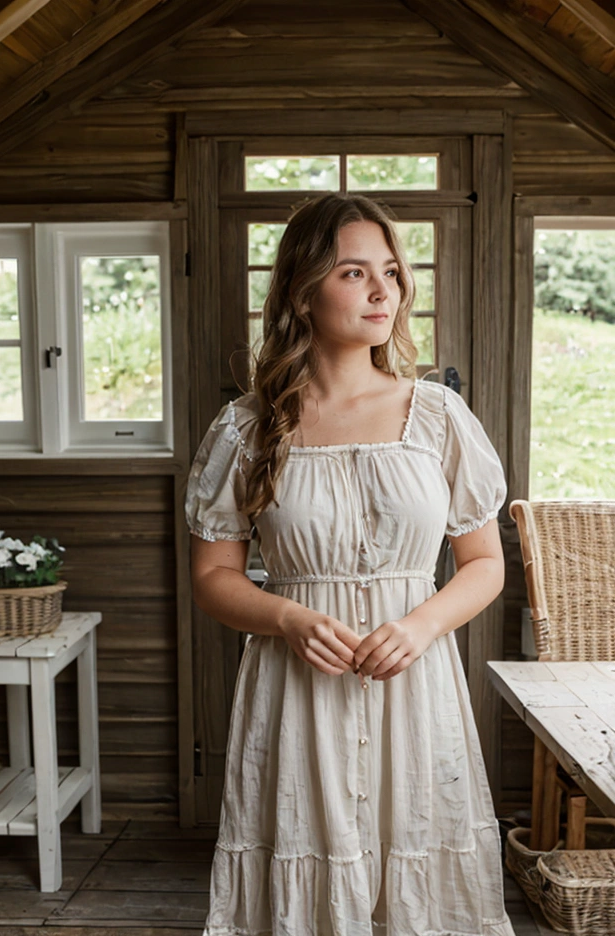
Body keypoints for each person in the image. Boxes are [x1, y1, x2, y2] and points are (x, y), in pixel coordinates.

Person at [186, 193, 516, 936]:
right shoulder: (246, 427)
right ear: (302, 293)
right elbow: (212, 577)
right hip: (295, 692)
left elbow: (484, 562)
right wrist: (287, 615)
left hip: (415, 686)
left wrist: (423, 624)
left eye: (392, 273)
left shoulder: (436, 416)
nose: (382, 291)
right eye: (354, 272)